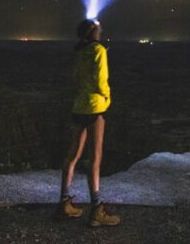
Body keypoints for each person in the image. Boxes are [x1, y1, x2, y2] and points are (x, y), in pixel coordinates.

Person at [56, 17, 121, 227]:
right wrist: (107, 98)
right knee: (95, 158)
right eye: (99, 27)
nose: (101, 29)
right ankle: (96, 209)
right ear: (93, 31)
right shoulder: (99, 50)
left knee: (72, 155)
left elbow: (75, 78)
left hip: (79, 106)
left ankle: (63, 204)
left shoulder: (78, 52)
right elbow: (102, 80)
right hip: (95, 107)